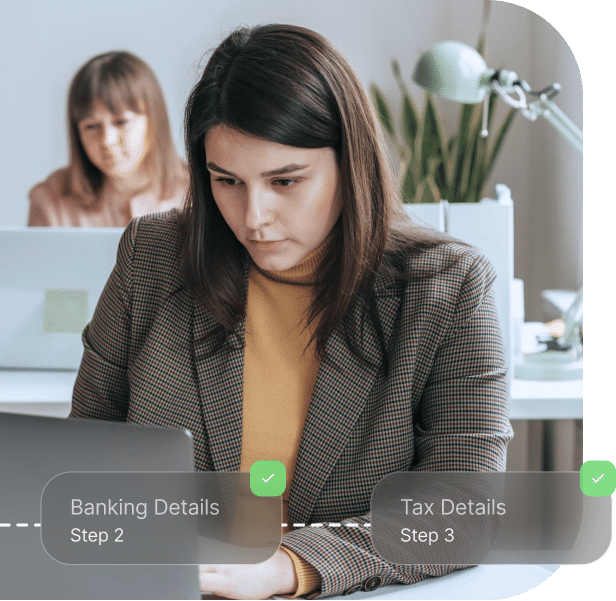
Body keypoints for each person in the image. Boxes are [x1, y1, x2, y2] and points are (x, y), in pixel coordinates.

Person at [70, 24, 512, 599]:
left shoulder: (448, 287)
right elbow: (83, 459)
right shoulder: (152, 258)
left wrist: (288, 567)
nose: (254, 216)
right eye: (227, 181)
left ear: (350, 163)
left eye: (285, 181)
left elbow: (466, 506)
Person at [28, 51, 188, 227]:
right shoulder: (51, 199)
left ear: (155, 119)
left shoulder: (200, 193)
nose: (107, 140)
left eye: (121, 122)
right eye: (91, 126)